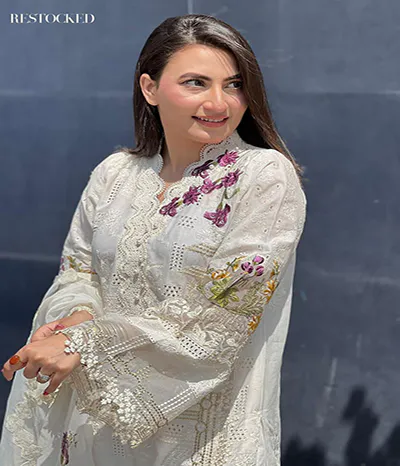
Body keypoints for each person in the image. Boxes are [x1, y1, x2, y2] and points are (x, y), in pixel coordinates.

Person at [0, 13, 307, 466]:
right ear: (150, 88)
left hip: (204, 437)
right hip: (95, 428)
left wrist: (84, 344)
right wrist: (76, 317)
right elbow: (79, 270)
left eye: (234, 84)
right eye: (196, 83)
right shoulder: (115, 175)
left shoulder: (263, 176)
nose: (219, 102)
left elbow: (222, 317)